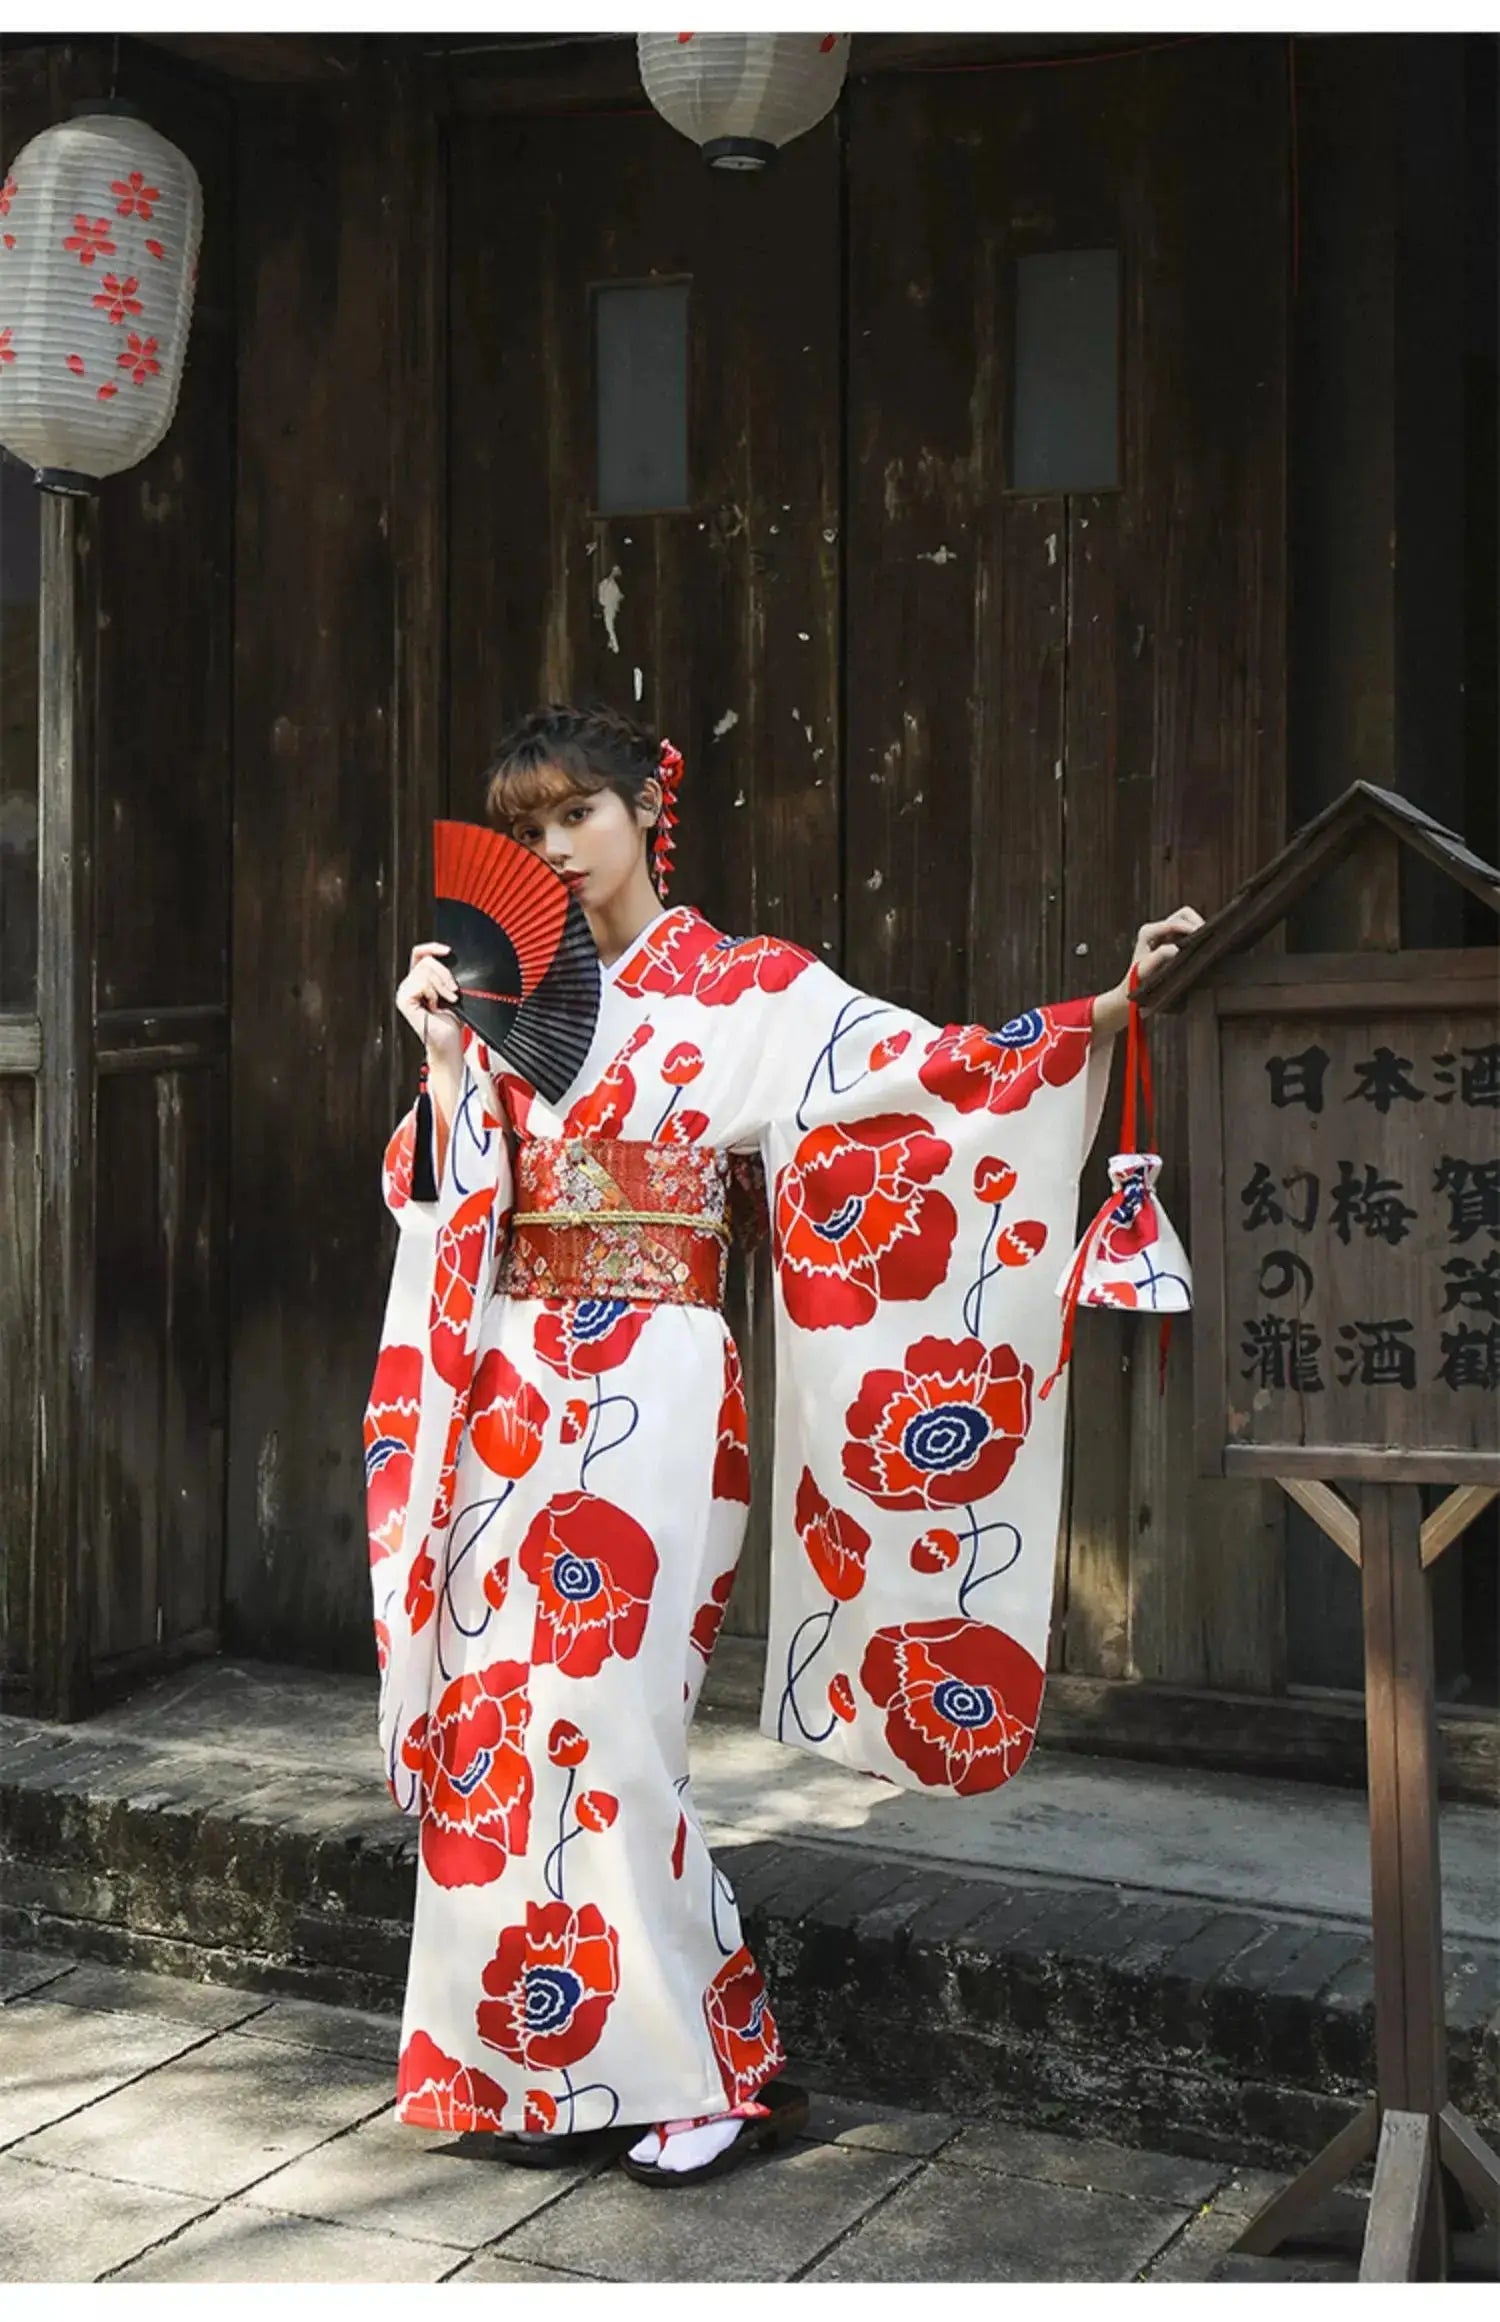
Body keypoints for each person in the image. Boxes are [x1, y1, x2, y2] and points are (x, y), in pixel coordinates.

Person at [367, 701, 1202, 2186]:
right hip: (509, 1385)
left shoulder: (750, 988)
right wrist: (443, 1058)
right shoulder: (505, 996)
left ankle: (721, 2070)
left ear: (645, 813)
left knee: (615, 1728)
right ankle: (543, 2069)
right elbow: (442, 1199)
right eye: (529, 826)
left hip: (663, 1382)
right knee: (501, 1720)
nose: (554, 848)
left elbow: (932, 1076)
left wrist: (1111, 1012)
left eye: (578, 814)